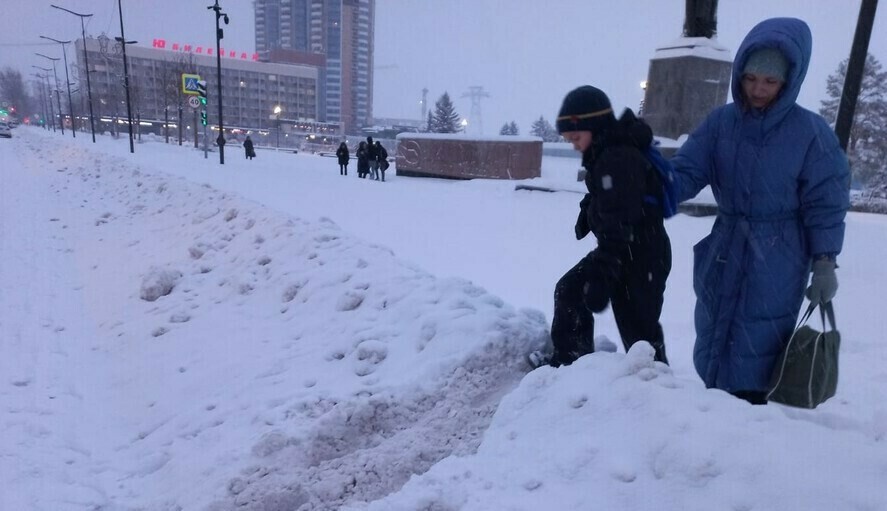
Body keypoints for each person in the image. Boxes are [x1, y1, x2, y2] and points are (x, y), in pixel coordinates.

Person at [670, 17, 850, 405]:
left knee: (758, 345)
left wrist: (824, 261)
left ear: (789, 80)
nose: (758, 89)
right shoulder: (721, 123)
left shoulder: (811, 133)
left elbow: (826, 203)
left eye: (769, 82)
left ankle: (750, 427)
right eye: (751, 79)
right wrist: (649, 189)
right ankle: (711, 416)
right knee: (716, 334)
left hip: (778, 257)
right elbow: (686, 172)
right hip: (724, 247)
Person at [540, 85, 672, 368]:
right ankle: (570, 365)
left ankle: (655, 391)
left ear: (594, 126)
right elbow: (612, 200)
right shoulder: (608, 152)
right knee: (571, 290)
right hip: (630, 250)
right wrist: (589, 212)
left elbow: (621, 221)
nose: (574, 145)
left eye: (576, 137)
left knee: (639, 336)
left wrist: (602, 275)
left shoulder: (618, 158)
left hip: (640, 257)